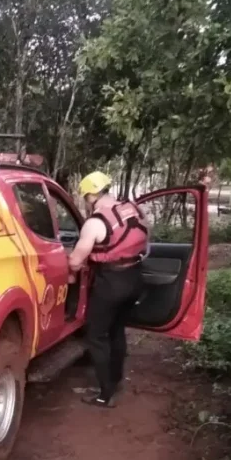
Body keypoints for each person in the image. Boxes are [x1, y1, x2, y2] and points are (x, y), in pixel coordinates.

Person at [67, 171, 149, 408]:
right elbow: (144, 237)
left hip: (111, 284)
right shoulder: (132, 210)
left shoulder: (95, 223)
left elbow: (74, 261)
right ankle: (115, 380)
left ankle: (105, 394)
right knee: (116, 330)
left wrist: (71, 268)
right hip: (135, 277)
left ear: (91, 195)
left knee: (96, 335)